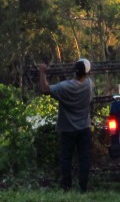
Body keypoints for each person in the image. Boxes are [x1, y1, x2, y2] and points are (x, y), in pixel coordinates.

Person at [38, 58, 94, 192]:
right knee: (84, 159)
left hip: (67, 129)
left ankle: (66, 187)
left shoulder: (64, 87)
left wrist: (42, 72)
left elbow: (45, 89)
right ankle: (83, 189)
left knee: (66, 159)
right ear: (87, 73)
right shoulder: (89, 85)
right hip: (84, 128)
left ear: (74, 71)